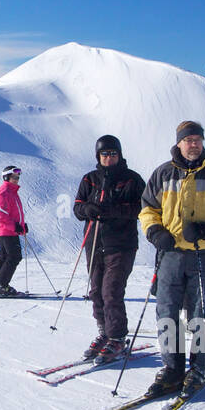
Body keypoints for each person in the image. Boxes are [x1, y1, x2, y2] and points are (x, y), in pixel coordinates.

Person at [138, 120, 205, 398]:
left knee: (201, 314)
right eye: (188, 140)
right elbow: (148, 208)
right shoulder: (162, 174)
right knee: (166, 312)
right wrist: (154, 231)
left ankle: (199, 368)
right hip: (170, 254)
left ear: (203, 142)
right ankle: (172, 369)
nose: (193, 144)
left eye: (197, 139)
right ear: (179, 143)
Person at [72, 135, 146, 363]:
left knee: (111, 291)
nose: (109, 157)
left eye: (113, 153)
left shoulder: (132, 180)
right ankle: (104, 332)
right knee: (96, 290)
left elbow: (141, 209)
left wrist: (111, 210)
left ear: (120, 155)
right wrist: (88, 210)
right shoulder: (90, 179)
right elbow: (77, 207)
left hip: (121, 245)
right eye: (105, 154)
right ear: (98, 156)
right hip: (95, 243)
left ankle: (117, 337)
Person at [0, 165, 27, 296]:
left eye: (18, 177)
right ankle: (2, 285)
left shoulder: (11, 192)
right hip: (6, 230)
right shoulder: (4, 193)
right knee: (14, 256)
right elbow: (1, 216)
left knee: (4, 256)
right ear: (7, 177)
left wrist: (22, 226)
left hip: (8, 230)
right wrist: (15, 227)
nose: (17, 179)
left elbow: (13, 213)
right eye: (14, 177)